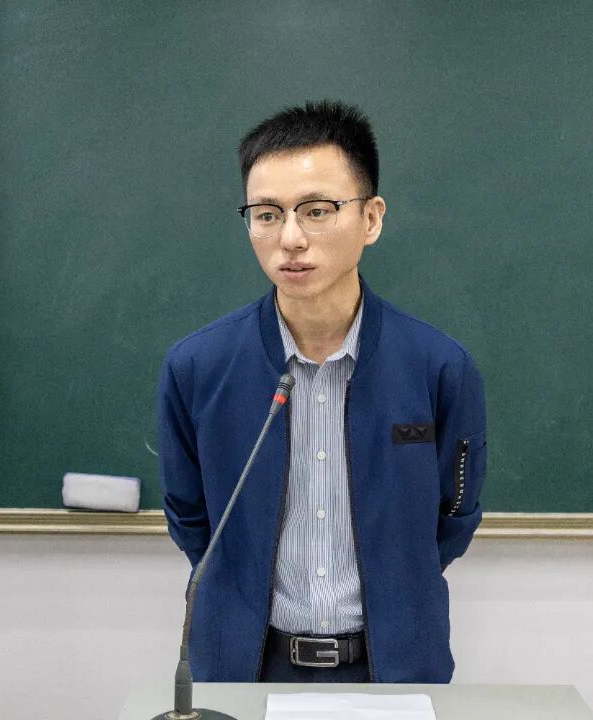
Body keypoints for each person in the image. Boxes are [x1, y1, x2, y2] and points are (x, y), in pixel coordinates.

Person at [158, 100, 486, 683]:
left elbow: (451, 520)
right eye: (266, 214)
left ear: (371, 219)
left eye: (316, 211)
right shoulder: (197, 366)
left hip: (393, 671)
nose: (290, 238)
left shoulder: (439, 367)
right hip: (245, 670)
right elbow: (191, 519)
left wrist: (395, 586)